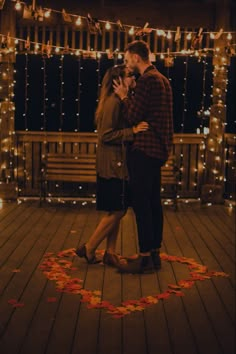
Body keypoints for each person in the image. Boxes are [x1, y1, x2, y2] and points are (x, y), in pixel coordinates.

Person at [75, 64, 149, 267]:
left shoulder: (119, 101)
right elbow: (105, 135)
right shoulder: (112, 103)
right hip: (112, 164)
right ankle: (89, 247)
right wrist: (132, 131)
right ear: (117, 81)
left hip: (116, 162)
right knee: (118, 210)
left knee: (115, 208)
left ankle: (110, 252)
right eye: (128, 75)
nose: (133, 77)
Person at [113, 40, 174, 274]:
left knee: (141, 204)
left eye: (128, 59)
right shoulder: (163, 80)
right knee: (153, 202)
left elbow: (133, 116)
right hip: (159, 149)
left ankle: (145, 256)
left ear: (137, 58)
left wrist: (124, 96)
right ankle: (155, 253)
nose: (127, 64)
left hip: (144, 150)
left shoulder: (147, 80)